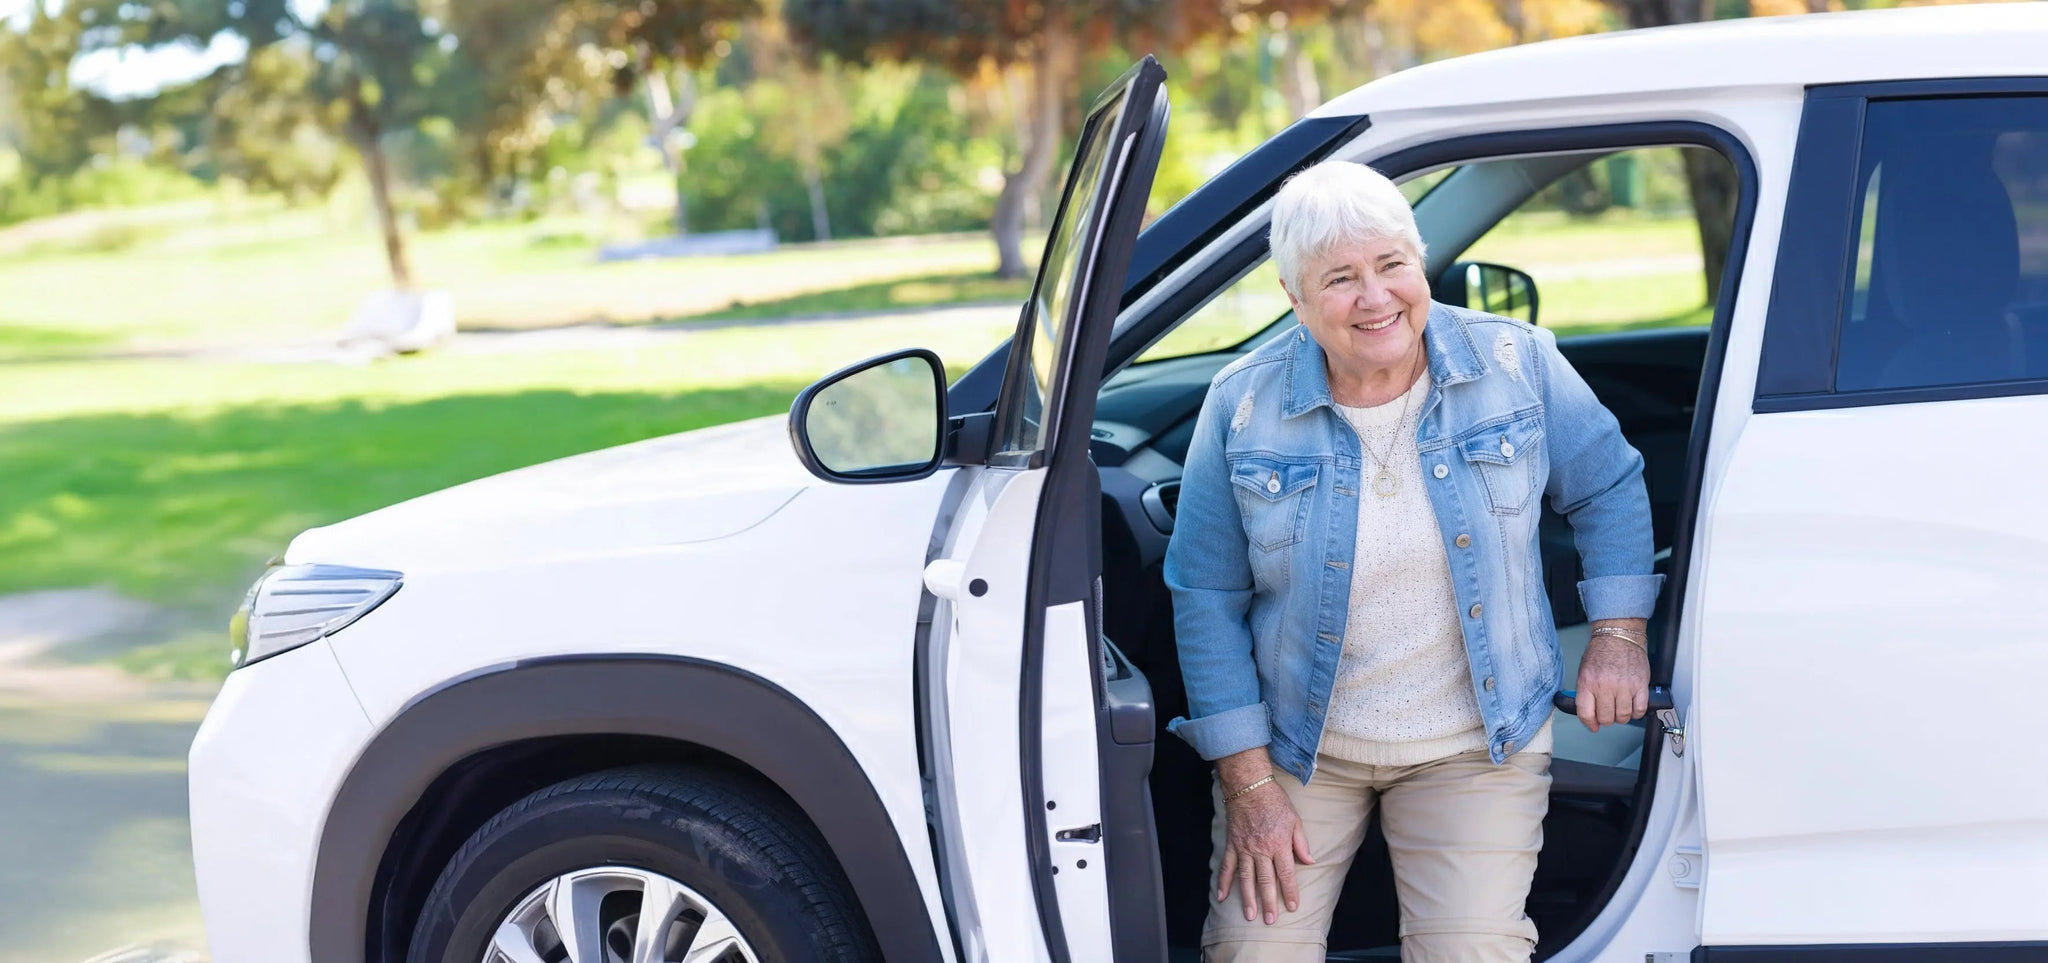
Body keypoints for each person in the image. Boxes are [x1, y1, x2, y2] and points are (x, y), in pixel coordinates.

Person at [1163, 160, 1661, 963]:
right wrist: (1248, 784)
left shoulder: (1515, 363)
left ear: (1419, 262)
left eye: (1392, 264)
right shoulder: (1242, 402)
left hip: (1478, 739)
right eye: (1340, 278)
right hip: (1298, 747)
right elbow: (1205, 592)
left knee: (1473, 951)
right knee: (1253, 953)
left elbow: (1608, 483)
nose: (1376, 296)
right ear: (1294, 298)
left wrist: (1618, 633)